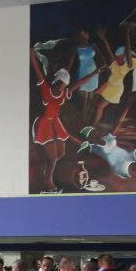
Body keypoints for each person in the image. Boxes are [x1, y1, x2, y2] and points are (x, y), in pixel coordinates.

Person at [30, 47, 101, 191]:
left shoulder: (64, 93)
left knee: (61, 153)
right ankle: (48, 181)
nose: (63, 87)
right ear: (57, 81)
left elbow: (79, 82)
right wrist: (31, 56)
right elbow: (37, 72)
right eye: (61, 83)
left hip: (55, 122)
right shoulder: (46, 89)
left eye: (65, 85)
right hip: (44, 123)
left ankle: (48, 171)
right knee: (54, 157)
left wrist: (95, 72)